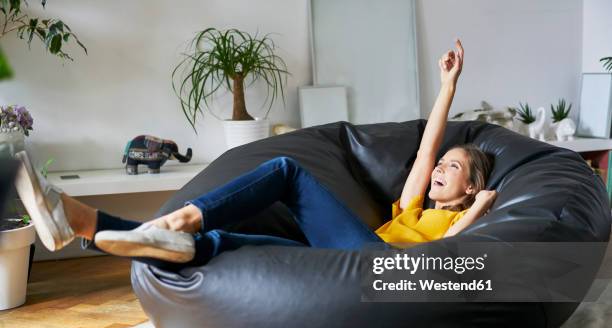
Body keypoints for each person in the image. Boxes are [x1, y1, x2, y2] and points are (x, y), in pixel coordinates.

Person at [13, 38, 496, 272]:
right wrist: (447, 88)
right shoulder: (415, 206)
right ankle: (79, 222)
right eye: (439, 163)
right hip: (337, 262)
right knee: (223, 241)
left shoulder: (455, 223)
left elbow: (458, 246)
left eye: (452, 168)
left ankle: (179, 221)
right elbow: (426, 145)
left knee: (285, 171)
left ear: (471, 186)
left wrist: (478, 206)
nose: (436, 168)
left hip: (381, 266)